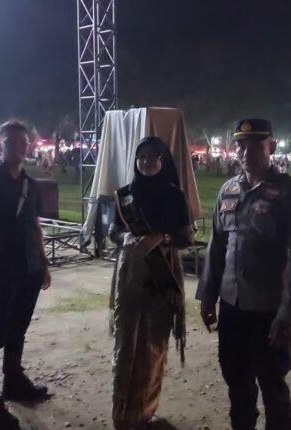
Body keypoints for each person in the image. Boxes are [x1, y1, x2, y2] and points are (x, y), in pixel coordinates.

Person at [197, 119, 291, 430]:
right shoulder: (228, 191)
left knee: (273, 386)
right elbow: (216, 247)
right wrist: (208, 296)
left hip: (268, 309)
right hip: (232, 306)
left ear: (271, 147)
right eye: (240, 145)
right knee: (237, 382)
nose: (245, 152)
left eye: (254, 145)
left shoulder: (290, 193)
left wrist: (287, 316)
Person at [0, 120, 52, 430]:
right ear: (1, 145)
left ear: (28, 146)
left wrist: (43, 262)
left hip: (29, 268)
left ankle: (14, 380)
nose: (17, 147)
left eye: (22, 142)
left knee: (18, 328)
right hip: (1, 269)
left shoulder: (31, 184)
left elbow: (35, 225)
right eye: (10, 142)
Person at [109, 137, 193, 429]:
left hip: (163, 273)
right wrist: (125, 237)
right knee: (126, 342)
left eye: (152, 157)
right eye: (141, 157)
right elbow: (113, 230)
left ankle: (145, 411)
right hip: (130, 273)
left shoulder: (175, 196)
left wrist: (162, 237)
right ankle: (123, 414)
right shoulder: (125, 195)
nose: (146, 162)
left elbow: (186, 238)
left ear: (163, 161)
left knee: (153, 345)